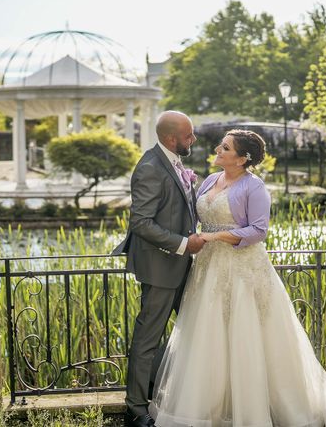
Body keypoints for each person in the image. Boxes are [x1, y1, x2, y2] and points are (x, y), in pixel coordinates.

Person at [149, 129, 326, 427]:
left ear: (242, 158)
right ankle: (210, 407)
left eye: (225, 147)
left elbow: (258, 231)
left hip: (243, 270)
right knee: (208, 336)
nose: (218, 150)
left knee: (247, 332)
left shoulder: (254, 187)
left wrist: (214, 236)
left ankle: (257, 410)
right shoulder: (210, 180)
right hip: (208, 269)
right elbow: (195, 218)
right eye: (220, 146)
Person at [113, 110, 205, 427]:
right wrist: (182, 243)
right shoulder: (151, 167)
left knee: (198, 327)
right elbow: (140, 223)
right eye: (188, 135)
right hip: (160, 266)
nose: (193, 139)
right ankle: (136, 409)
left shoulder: (174, 164)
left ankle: (160, 387)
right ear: (170, 138)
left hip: (182, 265)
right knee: (147, 339)